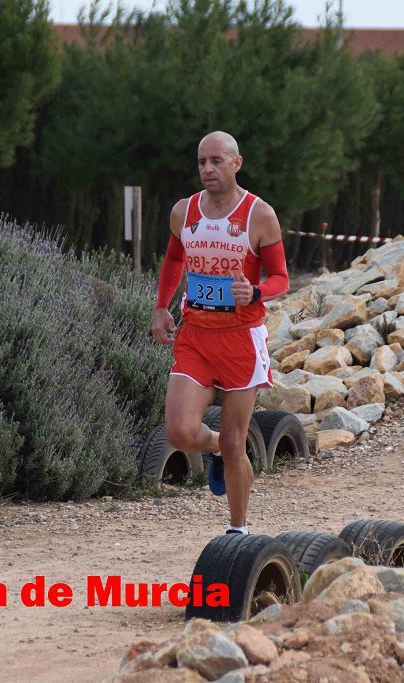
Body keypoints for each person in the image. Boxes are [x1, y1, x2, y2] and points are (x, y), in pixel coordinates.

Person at [151, 131, 290, 536]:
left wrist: (258, 291)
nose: (208, 169)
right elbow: (175, 258)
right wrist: (162, 306)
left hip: (240, 339)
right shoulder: (184, 211)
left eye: (216, 161)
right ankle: (211, 446)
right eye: (201, 162)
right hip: (195, 335)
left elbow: (282, 276)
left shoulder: (259, 215)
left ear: (236, 163)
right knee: (179, 431)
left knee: (235, 443)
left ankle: (238, 531)